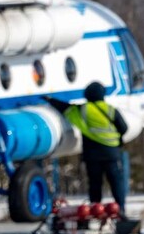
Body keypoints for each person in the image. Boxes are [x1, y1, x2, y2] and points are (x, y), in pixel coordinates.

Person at [52, 81, 129, 212]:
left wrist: (49, 100)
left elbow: (66, 109)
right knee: (116, 182)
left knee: (95, 184)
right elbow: (124, 127)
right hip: (111, 153)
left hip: (92, 155)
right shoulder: (110, 109)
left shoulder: (84, 109)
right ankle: (120, 209)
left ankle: (95, 209)